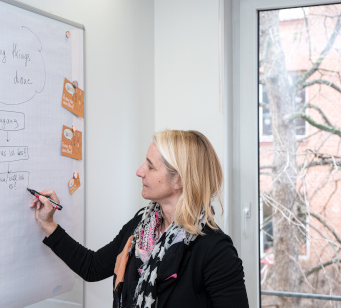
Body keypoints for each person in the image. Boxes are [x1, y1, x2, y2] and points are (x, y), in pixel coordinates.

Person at [30, 130, 249, 308]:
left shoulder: (215, 250)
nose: (139, 171)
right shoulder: (141, 226)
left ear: (179, 181)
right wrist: (48, 224)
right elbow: (93, 267)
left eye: (150, 166)